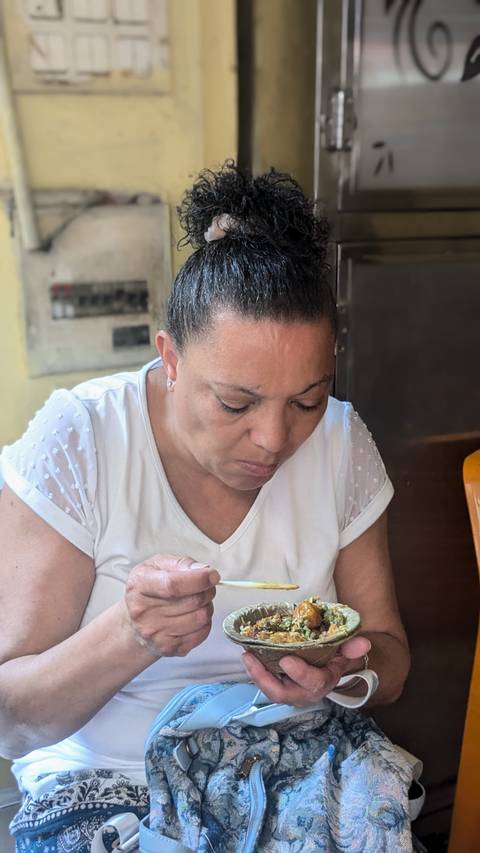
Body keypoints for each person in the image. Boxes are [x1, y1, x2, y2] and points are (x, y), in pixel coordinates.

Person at [0, 162, 410, 852]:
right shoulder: (83, 440)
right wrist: (129, 633)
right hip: (111, 781)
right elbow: (12, 718)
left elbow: (392, 661)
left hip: (300, 758)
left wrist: (344, 674)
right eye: (236, 403)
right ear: (170, 360)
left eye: (306, 399)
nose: (274, 439)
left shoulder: (341, 440)